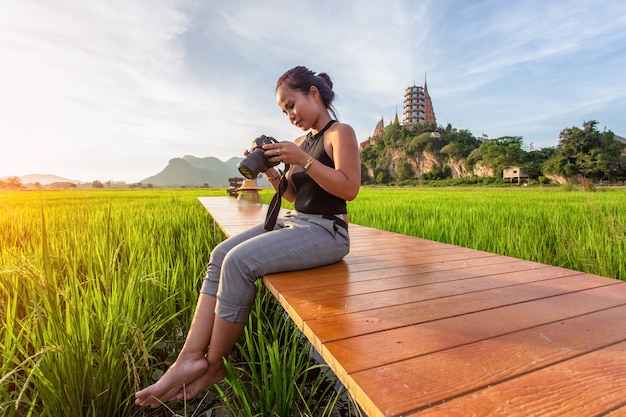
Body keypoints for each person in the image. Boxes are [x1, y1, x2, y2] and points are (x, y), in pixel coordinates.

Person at [135, 65, 361, 407]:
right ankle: (188, 357)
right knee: (221, 254)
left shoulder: (338, 133)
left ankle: (214, 366)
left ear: (313, 94)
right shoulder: (300, 142)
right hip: (295, 220)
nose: (290, 116)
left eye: (291, 104)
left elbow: (349, 187)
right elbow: (290, 195)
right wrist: (271, 168)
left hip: (328, 230)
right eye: (283, 111)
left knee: (240, 262)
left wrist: (303, 159)